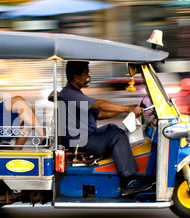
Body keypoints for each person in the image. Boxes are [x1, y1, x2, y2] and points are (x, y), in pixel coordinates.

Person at [59, 61, 153, 196]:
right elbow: (99, 105)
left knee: (113, 127)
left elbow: (102, 114)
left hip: (86, 137)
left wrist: (127, 109)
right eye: (86, 73)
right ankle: (128, 181)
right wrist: (126, 108)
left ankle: (117, 168)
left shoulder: (76, 93)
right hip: (80, 141)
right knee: (117, 135)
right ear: (76, 77)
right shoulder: (69, 94)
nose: (88, 76)